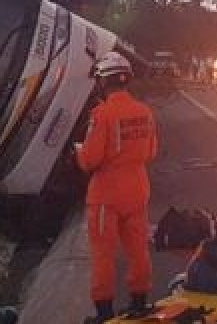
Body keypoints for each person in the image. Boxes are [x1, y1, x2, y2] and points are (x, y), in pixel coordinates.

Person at [76, 51, 159, 323]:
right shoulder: (144, 112)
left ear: (103, 82)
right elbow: (150, 152)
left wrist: (77, 151)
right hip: (137, 189)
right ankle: (139, 302)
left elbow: (90, 160)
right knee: (138, 249)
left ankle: (104, 313)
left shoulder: (102, 115)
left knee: (103, 254)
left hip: (106, 195)